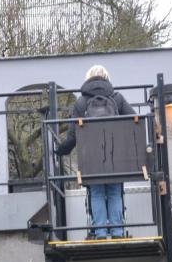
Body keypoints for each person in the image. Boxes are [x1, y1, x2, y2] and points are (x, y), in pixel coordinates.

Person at [54, 65, 135, 239]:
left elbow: (72, 134)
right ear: (107, 78)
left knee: (97, 192)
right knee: (114, 191)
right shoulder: (117, 98)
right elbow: (133, 121)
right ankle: (118, 232)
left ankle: (99, 232)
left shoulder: (81, 102)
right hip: (115, 155)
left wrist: (61, 150)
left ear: (88, 78)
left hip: (91, 157)